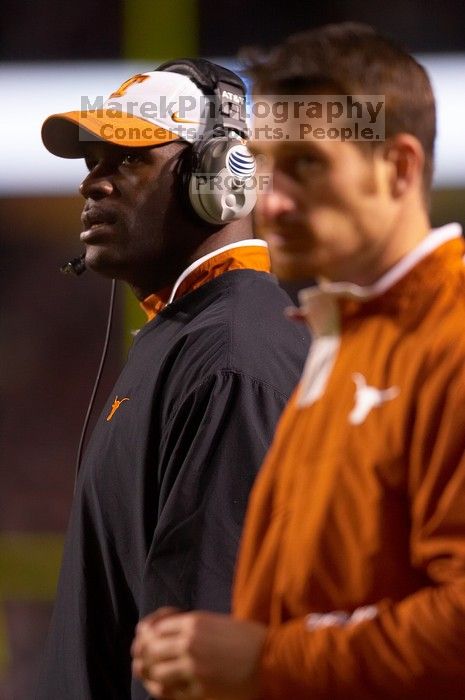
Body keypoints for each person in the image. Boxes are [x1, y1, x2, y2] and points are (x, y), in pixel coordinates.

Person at [131, 24, 465, 700]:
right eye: (264, 163)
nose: (272, 201)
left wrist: (266, 662)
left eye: (307, 165)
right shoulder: (345, 335)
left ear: (398, 168)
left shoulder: (449, 335)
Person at [36, 59, 309, 699]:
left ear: (220, 176)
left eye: (125, 160)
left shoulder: (231, 358)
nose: (91, 186)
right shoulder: (194, 338)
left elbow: (200, 662)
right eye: (91, 163)